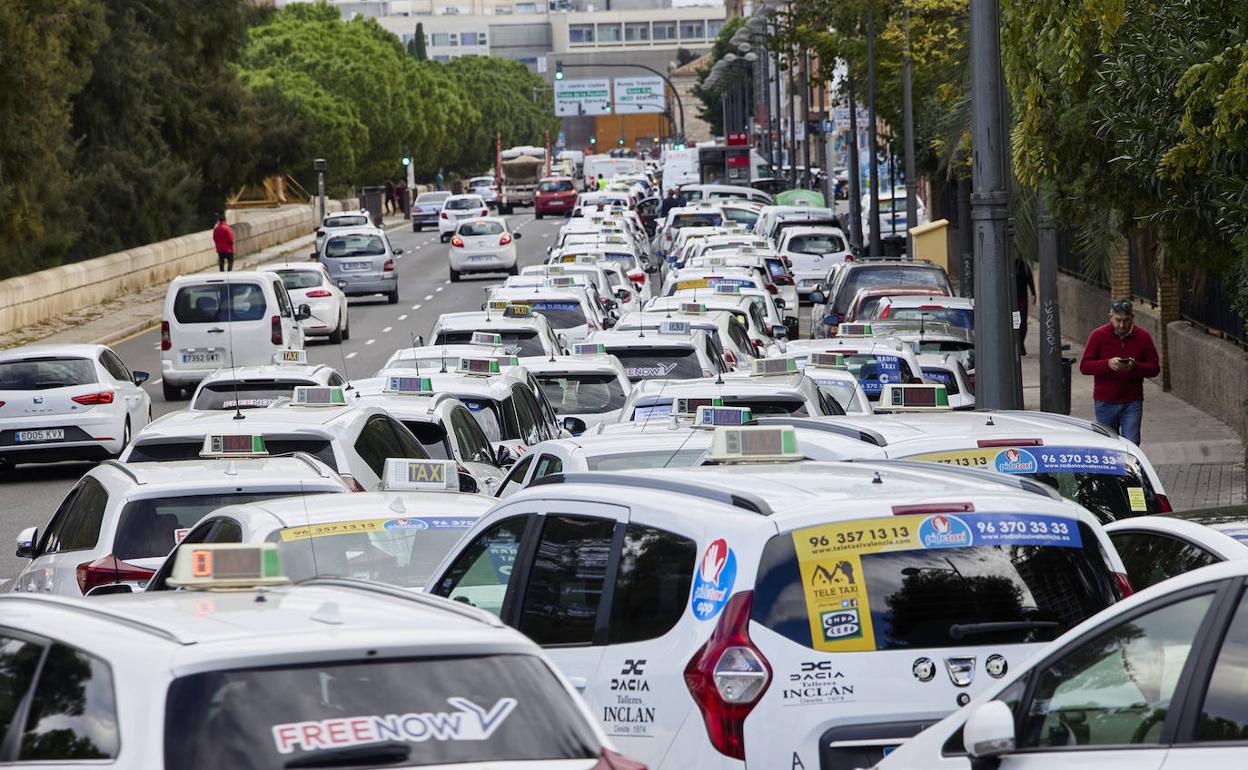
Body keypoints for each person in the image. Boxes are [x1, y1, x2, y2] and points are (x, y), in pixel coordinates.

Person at [1078, 299, 1159, 445]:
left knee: (1132, 443)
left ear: (1132, 318)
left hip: (1132, 401)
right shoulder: (1098, 335)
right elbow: (1085, 366)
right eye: (1118, 320)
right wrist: (1107, 364)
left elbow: (1154, 368)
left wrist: (1135, 367)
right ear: (1110, 317)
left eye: (1126, 320)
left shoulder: (1143, 337)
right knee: (1108, 445)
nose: (1122, 325)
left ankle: (1128, 468)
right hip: (1104, 401)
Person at [1015, 256, 1036, 355]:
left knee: (1022, 322)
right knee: (1014, 323)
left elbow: (1029, 278)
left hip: (1021, 298)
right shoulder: (1005, 264)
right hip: (1010, 299)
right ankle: (1017, 345)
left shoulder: (1023, 265)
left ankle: (1020, 343)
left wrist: (1033, 293)